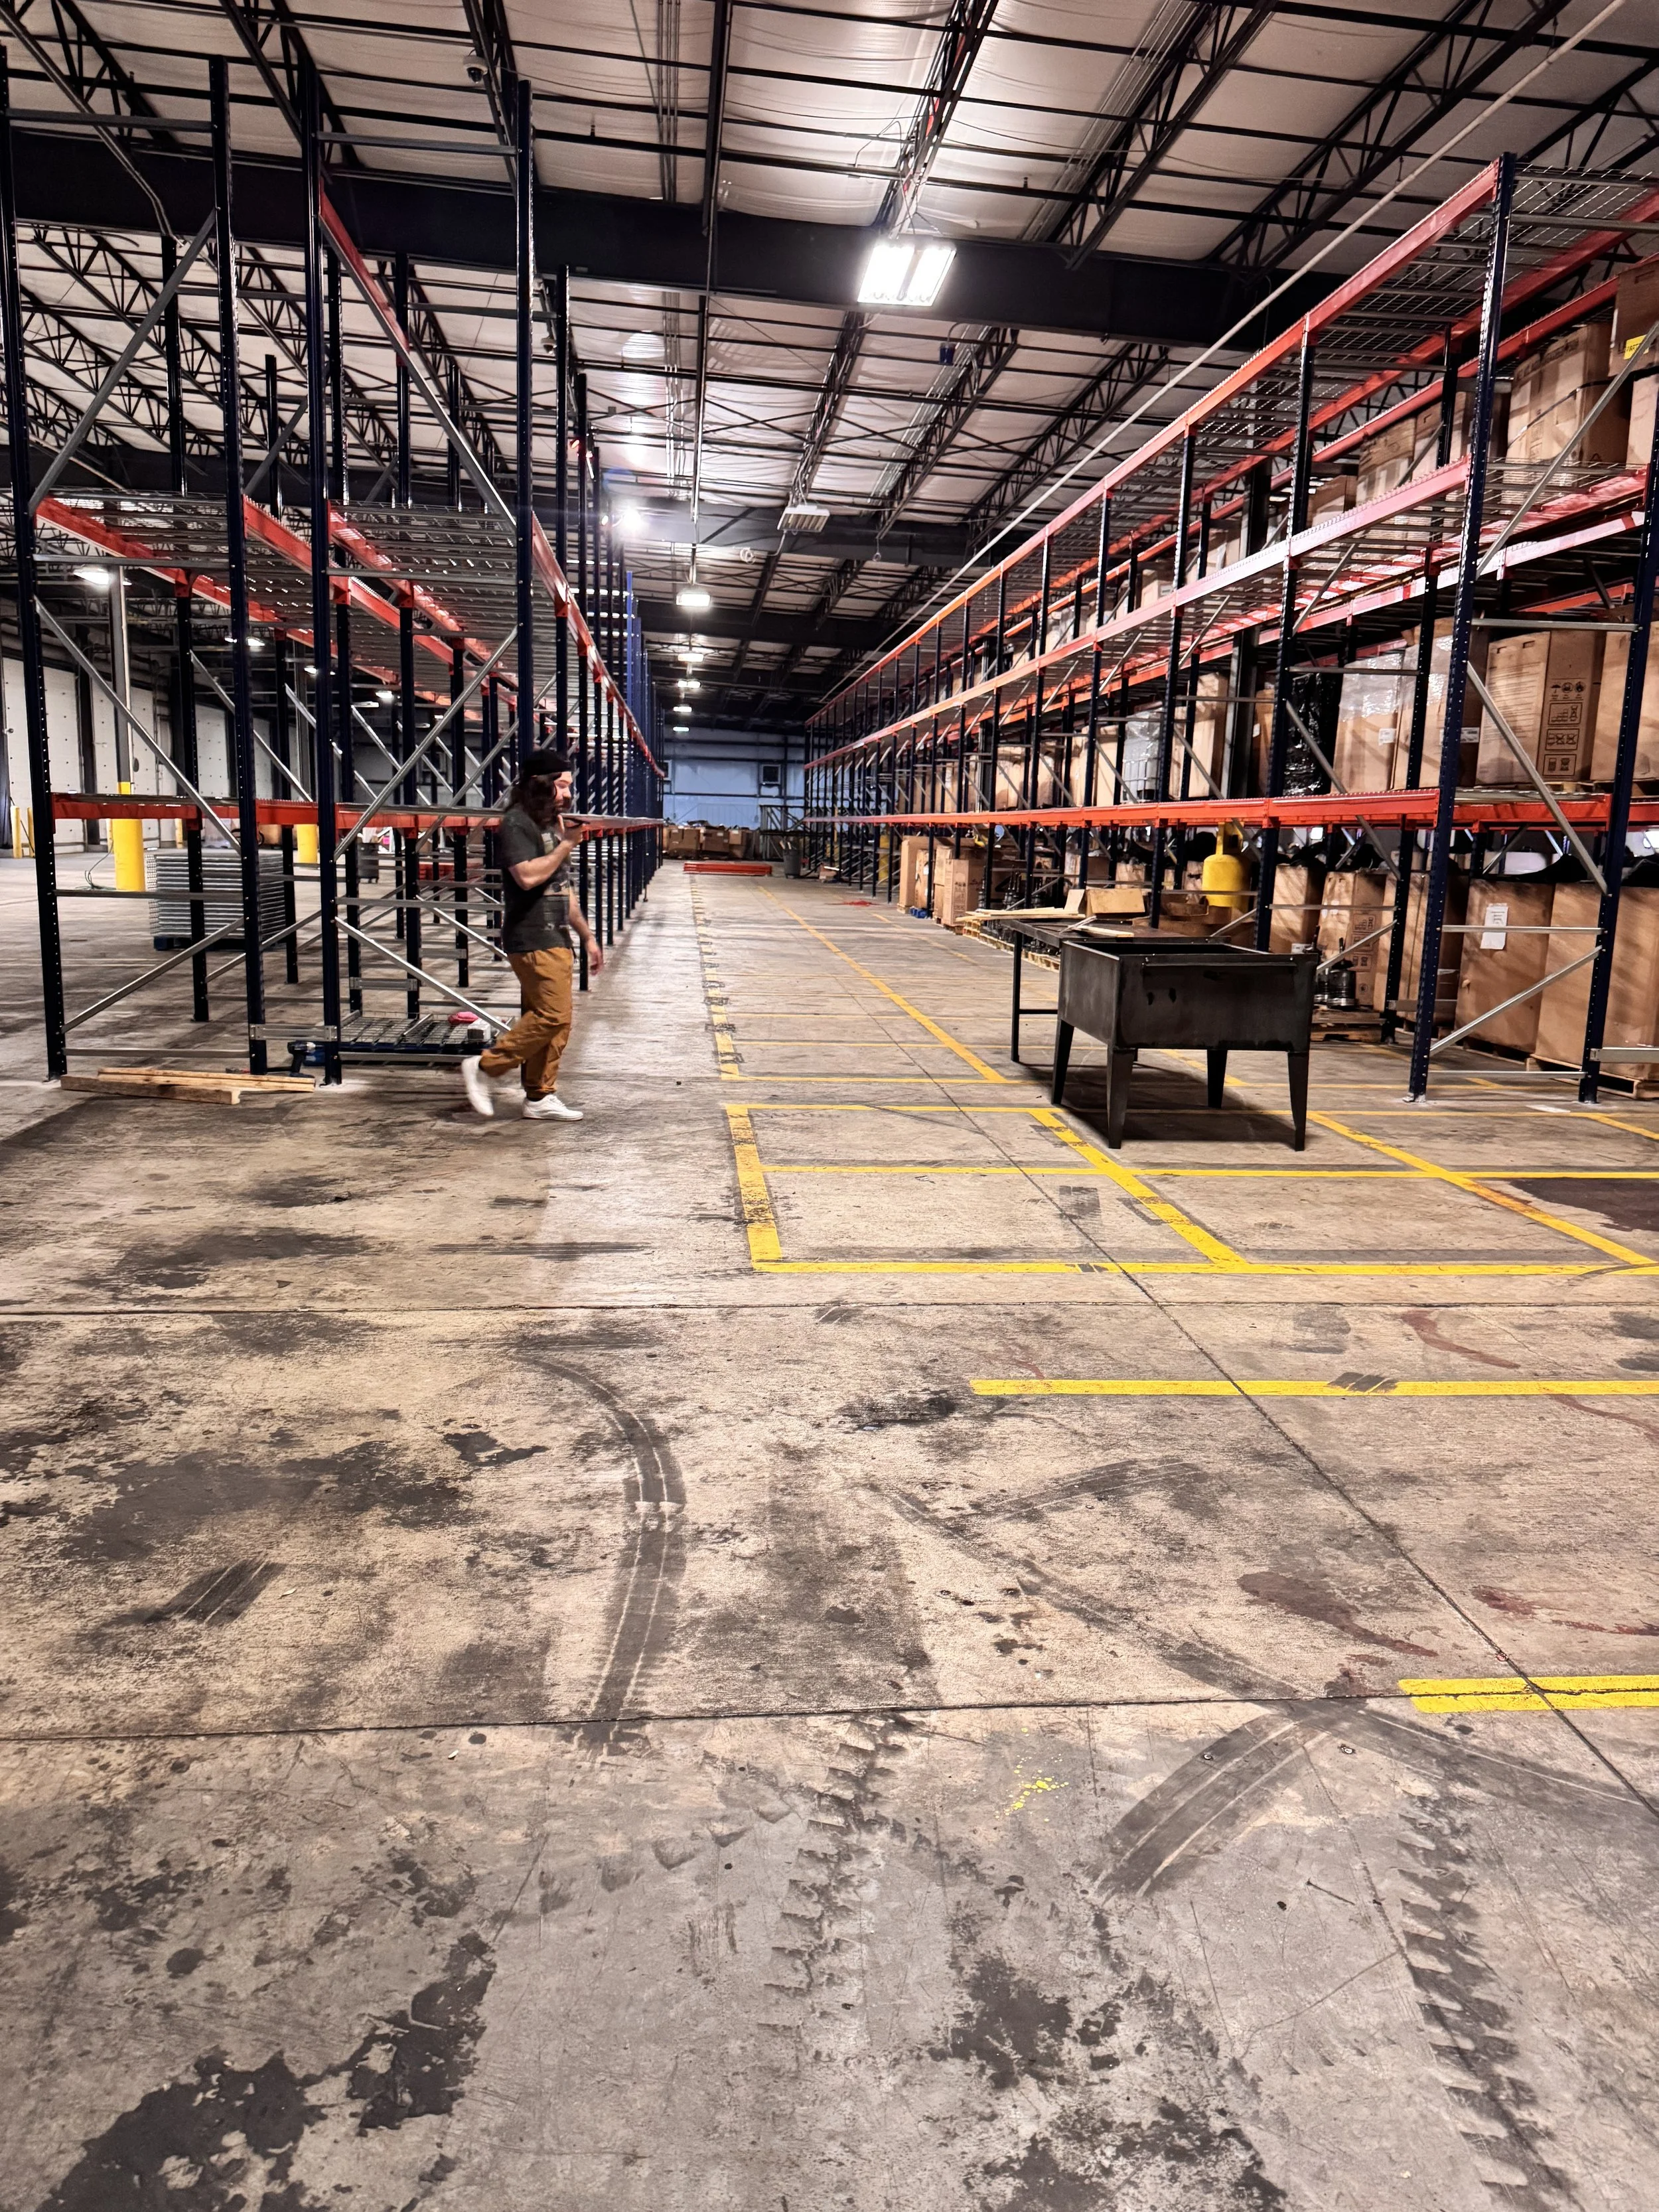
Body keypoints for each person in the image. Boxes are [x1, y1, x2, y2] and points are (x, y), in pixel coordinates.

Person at [461, 748, 603, 1121]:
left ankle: (539, 1096)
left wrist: (587, 936)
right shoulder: (516, 823)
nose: (567, 794)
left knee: (558, 1019)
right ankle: (485, 1067)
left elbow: (562, 887)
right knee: (552, 1015)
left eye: (568, 786)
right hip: (531, 934)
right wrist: (569, 844)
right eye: (560, 785)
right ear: (538, 785)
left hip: (556, 935)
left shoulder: (548, 825)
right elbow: (527, 877)